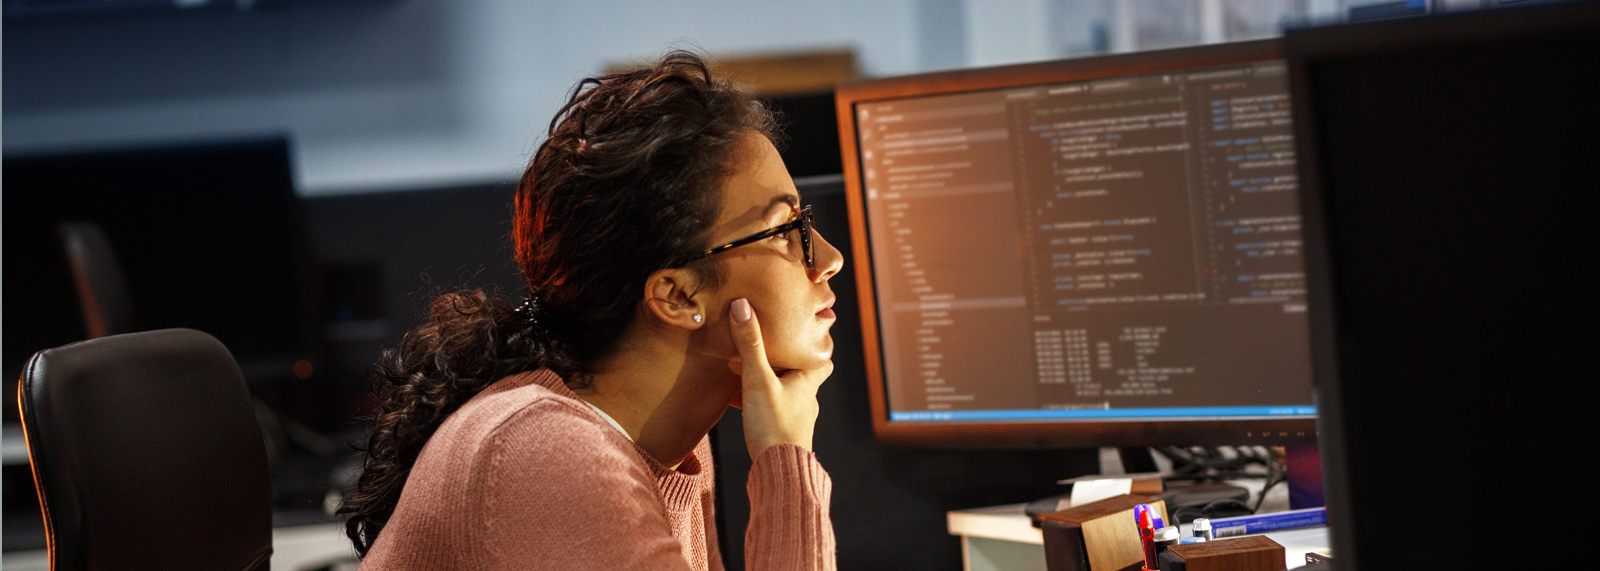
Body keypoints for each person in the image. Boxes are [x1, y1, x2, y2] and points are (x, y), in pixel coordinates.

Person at [337, 51, 843, 570]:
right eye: (786, 231)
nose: (828, 258)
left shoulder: (668, 444)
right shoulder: (552, 456)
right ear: (677, 295)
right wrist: (787, 462)